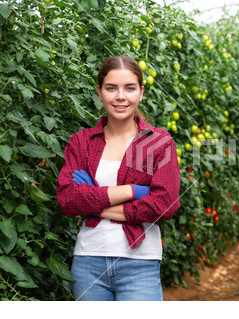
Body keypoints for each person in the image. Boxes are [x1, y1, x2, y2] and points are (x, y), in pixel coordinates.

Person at [56, 56, 180, 301]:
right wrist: (133, 191)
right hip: (88, 262)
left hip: (140, 264)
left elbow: (164, 204)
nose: (120, 96)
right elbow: (68, 199)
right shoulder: (81, 142)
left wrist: (94, 205)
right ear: (99, 92)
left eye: (129, 88)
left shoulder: (159, 142)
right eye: (111, 88)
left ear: (141, 92)